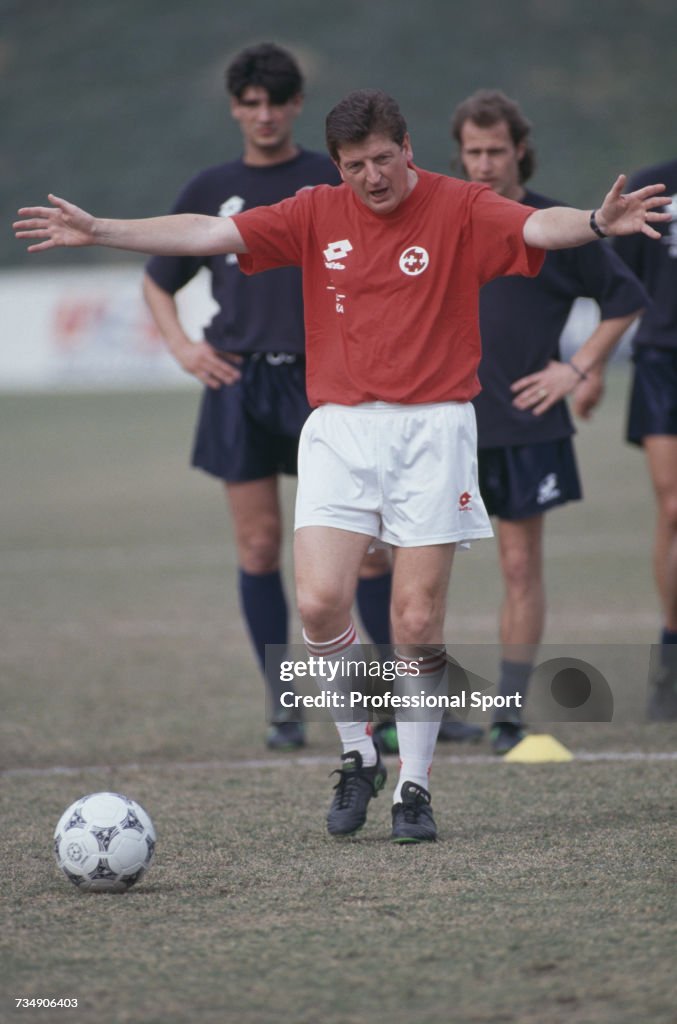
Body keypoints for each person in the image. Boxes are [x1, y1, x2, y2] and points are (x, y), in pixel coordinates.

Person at [14, 89, 670, 842]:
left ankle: (414, 789)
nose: (372, 178)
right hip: (337, 432)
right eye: (355, 166)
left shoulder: (459, 205)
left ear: (408, 150)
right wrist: (100, 229)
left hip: (434, 431)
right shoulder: (314, 211)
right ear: (338, 166)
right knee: (321, 603)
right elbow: (207, 232)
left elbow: (534, 226)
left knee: (415, 623)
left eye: (383, 160)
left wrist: (592, 221)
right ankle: (359, 756)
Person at [141, 43, 393, 752]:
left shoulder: (332, 177)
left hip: (327, 383)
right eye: (250, 103)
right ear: (235, 108)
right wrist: (186, 349)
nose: (263, 115)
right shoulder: (209, 187)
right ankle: (283, 703)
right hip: (242, 383)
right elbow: (159, 282)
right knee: (258, 545)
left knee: (369, 552)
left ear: (296, 107)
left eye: (275, 102)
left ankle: (392, 699)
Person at [450, 90, 648, 753]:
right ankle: (417, 709)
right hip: (441, 424)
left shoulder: (560, 224)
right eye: (471, 152)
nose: (481, 164)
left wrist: (579, 368)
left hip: (524, 425)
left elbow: (624, 298)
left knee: (516, 567)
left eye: (494, 151)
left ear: (519, 151)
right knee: (403, 568)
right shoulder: (443, 219)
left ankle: (506, 712)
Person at [613, 158, 677, 720]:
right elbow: (621, 282)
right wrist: (585, 371)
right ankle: (673, 652)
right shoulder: (655, 187)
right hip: (664, 360)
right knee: (674, 506)